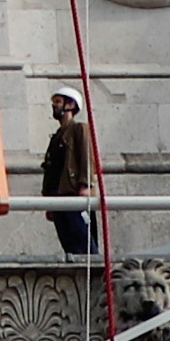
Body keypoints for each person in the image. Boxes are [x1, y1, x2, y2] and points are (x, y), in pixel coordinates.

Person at [36, 89, 101, 261]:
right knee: (67, 239)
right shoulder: (57, 136)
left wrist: (85, 185)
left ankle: (92, 268)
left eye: (58, 101)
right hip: (57, 194)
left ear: (70, 105)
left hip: (71, 192)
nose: (54, 105)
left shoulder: (79, 129)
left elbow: (87, 156)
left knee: (82, 238)